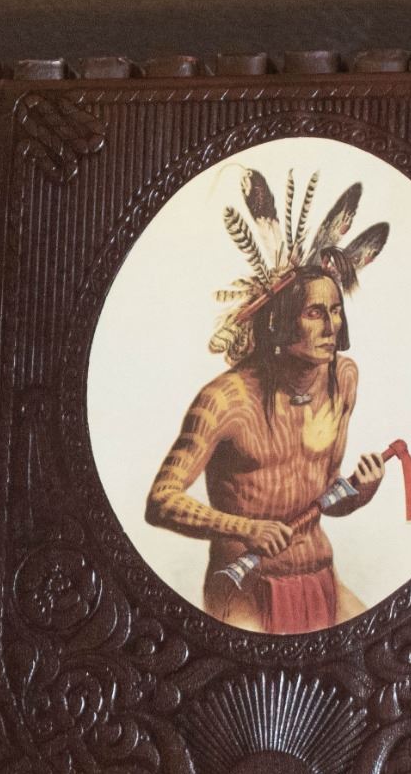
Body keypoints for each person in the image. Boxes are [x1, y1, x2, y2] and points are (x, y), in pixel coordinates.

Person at [145, 171, 390, 634]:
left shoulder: (342, 379)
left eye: (336, 311)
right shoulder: (226, 400)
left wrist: (360, 493)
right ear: (280, 324)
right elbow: (162, 501)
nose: (331, 327)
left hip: (320, 577)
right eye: (315, 313)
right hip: (244, 587)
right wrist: (244, 528)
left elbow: (322, 495)